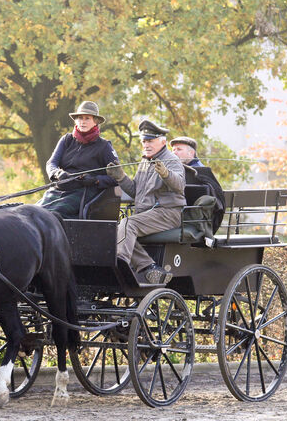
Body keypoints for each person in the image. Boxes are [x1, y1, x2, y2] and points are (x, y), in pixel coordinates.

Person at [107, 119, 185, 284]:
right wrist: (120, 177)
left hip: (167, 212)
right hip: (147, 213)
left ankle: (120, 265)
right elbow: (136, 191)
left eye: (150, 141)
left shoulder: (172, 159)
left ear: (162, 141)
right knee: (118, 229)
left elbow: (179, 185)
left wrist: (166, 174)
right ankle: (149, 267)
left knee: (128, 224)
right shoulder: (144, 161)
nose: (146, 144)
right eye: (144, 141)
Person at [37, 101, 118, 219]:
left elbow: (116, 177)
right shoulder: (66, 140)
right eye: (80, 118)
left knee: (52, 214)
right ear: (75, 120)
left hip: (84, 192)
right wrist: (57, 173)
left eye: (87, 118)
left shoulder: (104, 146)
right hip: (61, 187)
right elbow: (51, 163)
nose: (83, 121)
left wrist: (95, 180)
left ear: (95, 121)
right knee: (36, 211)